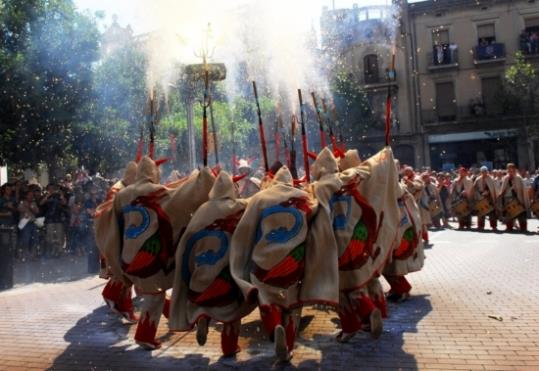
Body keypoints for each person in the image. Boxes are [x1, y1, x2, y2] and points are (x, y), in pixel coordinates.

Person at [101, 156, 215, 350]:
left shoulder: (123, 194)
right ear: (153, 173)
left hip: (127, 255)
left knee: (150, 289)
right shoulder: (159, 192)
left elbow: (116, 222)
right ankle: (145, 336)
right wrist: (204, 179)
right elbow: (183, 197)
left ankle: (174, 316)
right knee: (155, 294)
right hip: (149, 256)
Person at [230, 165, 318, 361]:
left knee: (267, 298)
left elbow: (246, 228)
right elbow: (317, 212)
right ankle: (287, 346)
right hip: (294, 263)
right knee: (292, 304)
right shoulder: (304, 198)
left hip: (264, 262)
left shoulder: (260, 198)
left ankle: (274, 325)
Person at [169, 171, 253, 358]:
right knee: (233, 311)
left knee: (204, 303)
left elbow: (187, 242)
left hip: (201, 272)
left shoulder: (202, 210)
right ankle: (229, 347)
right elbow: (257, 202)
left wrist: (188, 270)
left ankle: (202, 320)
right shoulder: (238, 206)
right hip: (226, 272)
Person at [40, 184, 68, 258]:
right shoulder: (46, 196)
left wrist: (61, 195)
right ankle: (52, 251)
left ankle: (58, 251)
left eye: (53, 188)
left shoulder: (58, 196)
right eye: (50, 189)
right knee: (50, 237)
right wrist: (48, 195)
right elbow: (41, 203)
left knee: (59, 236)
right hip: (49, 219)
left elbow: (64, 203)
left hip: (58, 219)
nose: (51, 190)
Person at [500, 163, 529, 233]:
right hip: (508, 198)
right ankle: (509, 227)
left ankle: (523, 228)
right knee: (508, 214)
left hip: (518, 198)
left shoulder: (518, 178)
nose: (510, 171)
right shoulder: (505, 178)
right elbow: (502, 189)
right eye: (508, 169)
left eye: (511, 169)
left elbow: (523, 189)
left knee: (521, 214)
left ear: (514, 169)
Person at [473, 166, 498, 231]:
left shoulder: (491, 179)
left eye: (485, 171)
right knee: (481, 213)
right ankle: (480, 226)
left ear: (487, 171)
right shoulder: (478, 179)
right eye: (482, 171)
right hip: (480, 197)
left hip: (489, 197)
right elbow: (474, 188)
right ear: (481, 172)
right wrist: (478, 194)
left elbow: (493, 189)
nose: (484, 173)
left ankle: (494, 226)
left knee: (492, 213)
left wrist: (489, 192)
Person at [17, 190, 40, 260]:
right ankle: (24, 255)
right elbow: (19, 209)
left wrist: (30, 207)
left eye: (32, 195)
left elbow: (37, 211)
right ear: (26, 195)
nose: (31, 196)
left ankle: (33, 255)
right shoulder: (22, 202)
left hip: (33, 223)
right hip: (25, 223)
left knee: (34, 240)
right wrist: (25, 206)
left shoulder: (33, 203)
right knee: (25, 240)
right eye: (29, 195)